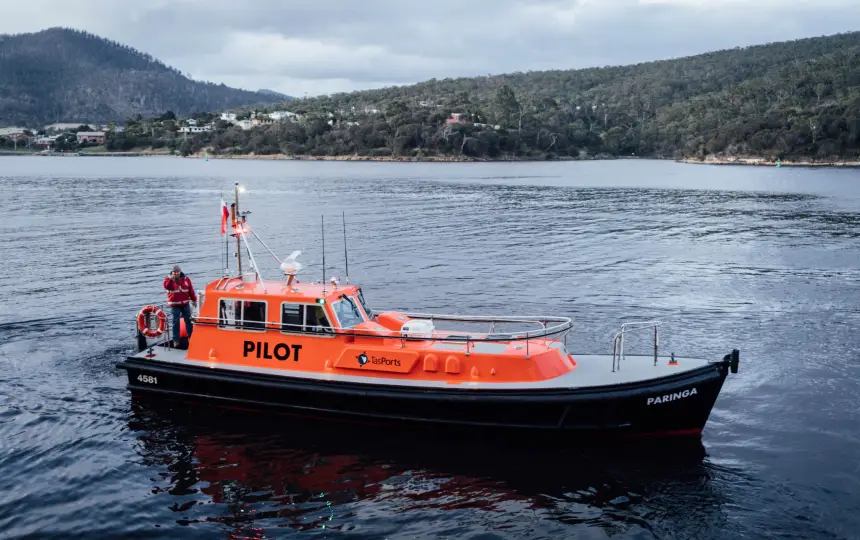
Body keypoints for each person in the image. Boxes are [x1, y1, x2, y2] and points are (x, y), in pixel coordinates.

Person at [163, 264, 197, 346]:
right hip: (175, 305)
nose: (176, 273)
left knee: (188, 321)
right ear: (172, 272)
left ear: (180, 271)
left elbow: (190, 290)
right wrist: (171, 280)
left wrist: (194, 300)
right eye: (174, 272)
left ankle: (191, 338)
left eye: (177, 271)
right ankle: (176, 340)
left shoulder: (186, 279)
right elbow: (166, 286)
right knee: (175, 322)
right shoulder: (168, 279)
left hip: (185, 304)